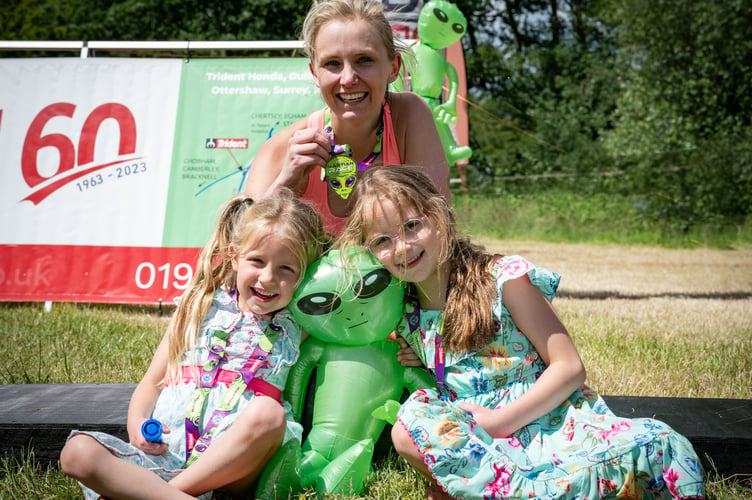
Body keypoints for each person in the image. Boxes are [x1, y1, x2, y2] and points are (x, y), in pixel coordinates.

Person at [337, 165, 706, 500]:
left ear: (439, 217)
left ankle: (492, 490)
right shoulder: (399, 311)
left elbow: (569, 367)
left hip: (546, 419)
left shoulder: (503, 278)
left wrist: (501, 421)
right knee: (408, 429)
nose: (401, 247)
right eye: (381, 241)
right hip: (474, 433)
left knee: (658, 443)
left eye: (411, 226)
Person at [60, 190, 328, 500]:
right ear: (234, 256)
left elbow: (357, 316)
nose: (267, 278)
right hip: (164, 454)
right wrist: (137, 426)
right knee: (76, 452)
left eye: (287, 269)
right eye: (257, 260)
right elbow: (152, 382)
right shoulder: (199, 306)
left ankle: (158, 495)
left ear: (304, 276)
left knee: (269, 413)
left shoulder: (299, 323)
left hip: (233, 467)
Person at [245, 0, 451, 236]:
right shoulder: (279, 152)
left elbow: (439, 231)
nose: (348, 78)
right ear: (315, 73)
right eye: (332, 63)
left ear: (394, 67)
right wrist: (285, 185)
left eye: (364, 60)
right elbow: (240, 254)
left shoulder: (408, 117)